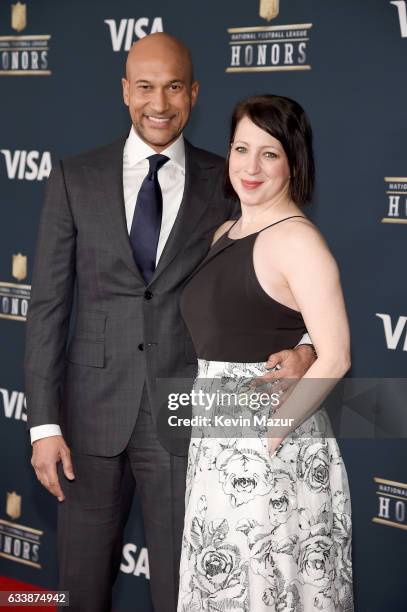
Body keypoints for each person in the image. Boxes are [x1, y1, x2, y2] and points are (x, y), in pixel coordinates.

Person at [24, 34, 316, 612]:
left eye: (174, 86)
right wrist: (42, 425)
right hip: (89, 418)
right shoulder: (74, 177)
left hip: (190, 415)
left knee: (184, 592)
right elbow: (48, 306)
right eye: (146, 87)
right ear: (125, 91)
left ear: (194, 93)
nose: (160, 103)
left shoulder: (228, 179)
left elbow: (287, 256)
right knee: (79, 589)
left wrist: (307, 346)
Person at [178, 95, 353, 611]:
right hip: (217, 442)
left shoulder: (297, 240)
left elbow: (337, 354)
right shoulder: (226, 232)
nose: (250, 167)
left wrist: (272, 434)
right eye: (241, 149)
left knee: (265, 587)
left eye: (269, 153)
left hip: (268, 453)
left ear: (294, 161)